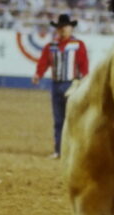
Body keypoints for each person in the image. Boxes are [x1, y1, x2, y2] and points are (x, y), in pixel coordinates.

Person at [32, 13, 89, 159]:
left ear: (71, 28)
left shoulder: (78, 45)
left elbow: (83, 63)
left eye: (65, 27)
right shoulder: (51, 46)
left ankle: (73, 150)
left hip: (72, 84)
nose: (63, 29)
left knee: (73, 119)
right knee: (58, 120)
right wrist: (38, 74)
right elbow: (44, 61)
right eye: (61, 27)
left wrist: (85, 78)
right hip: (56, 84)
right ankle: (59, 150)